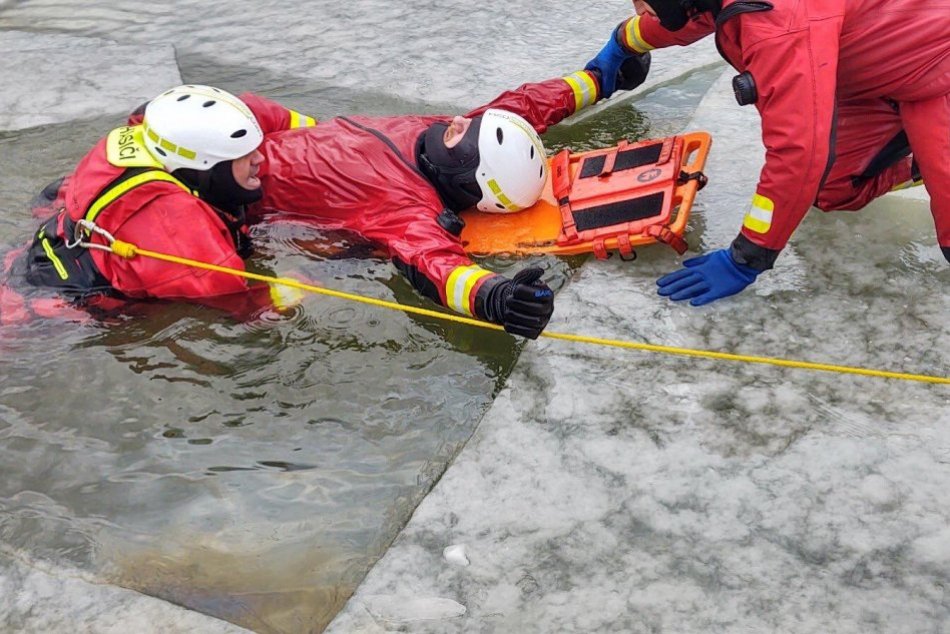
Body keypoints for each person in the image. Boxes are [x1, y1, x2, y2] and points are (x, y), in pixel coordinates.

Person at [236, 54, 651, 339]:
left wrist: (497, 299)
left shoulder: (405, 206)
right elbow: (523, 107)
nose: (455, 121)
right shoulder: (453, 138)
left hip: (228, 194)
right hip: (251, 145)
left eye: (461, 134)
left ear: (470, 181)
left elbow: (438, 266)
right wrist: (599, 78)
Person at [584, 0, 950, 306]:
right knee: (831, 187)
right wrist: (621, 45)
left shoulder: (778, 25)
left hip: (938, 72)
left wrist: (746, 257)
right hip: (881, 73)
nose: (639, 5)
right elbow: (686, 15)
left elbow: (799, 153)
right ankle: (916, 160)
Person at [3, 84, 318, 325]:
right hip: (48, 308)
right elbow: (238, 305)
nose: (260, 159)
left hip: (37, 255)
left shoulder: (152, 136)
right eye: (245, 155)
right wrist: (309, 279)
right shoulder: (176, 228)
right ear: (206, 165)